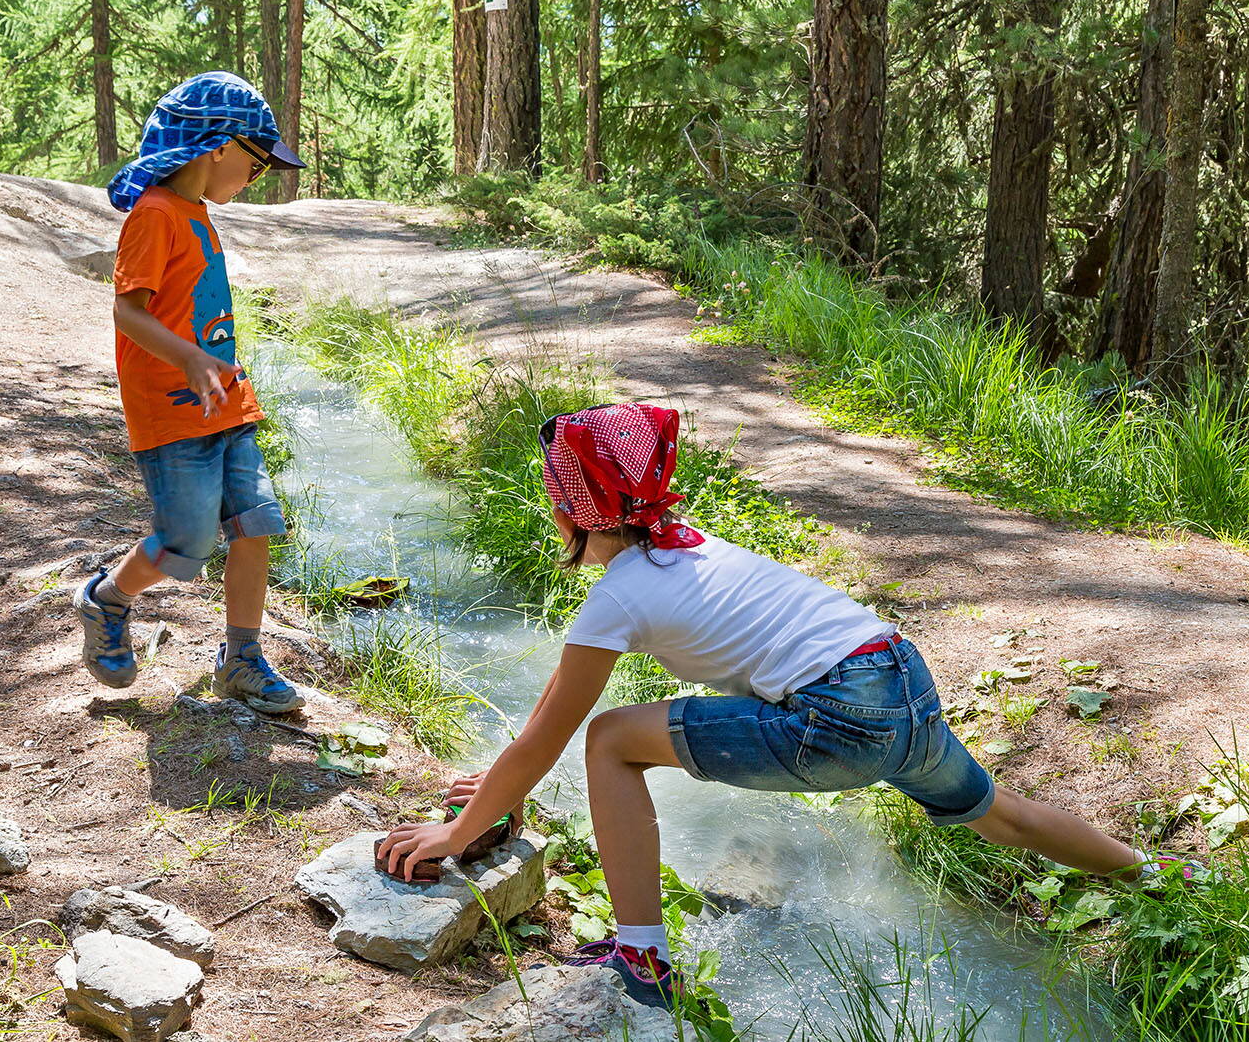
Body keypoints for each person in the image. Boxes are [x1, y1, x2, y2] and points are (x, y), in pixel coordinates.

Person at [377, 403, 1190, 1008]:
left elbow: (544, 739)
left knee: (609, 740)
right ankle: (1161, 878)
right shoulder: (687, 545)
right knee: (998, 814)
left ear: (564, 506)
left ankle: (641, 957)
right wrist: (492, 797)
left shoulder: (615, 599)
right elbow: (535, 727)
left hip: (839, 712)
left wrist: (459, 829)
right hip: (900, 675)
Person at [72, 71, 307, 714]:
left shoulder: (197, 211)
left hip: (226, 403)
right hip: (171, 411)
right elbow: (129, 313)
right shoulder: (154, 215)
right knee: (187, 546)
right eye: (257, 165)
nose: (257, 180)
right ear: (219, 146)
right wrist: (192, 360)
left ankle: (242, 658)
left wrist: (213, 367)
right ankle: (108, 597)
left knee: (255, 524)